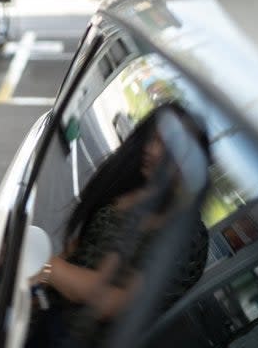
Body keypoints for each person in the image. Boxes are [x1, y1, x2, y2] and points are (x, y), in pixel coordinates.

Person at [27, 103, 210, 347]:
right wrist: (39, 288)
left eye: (168, 146)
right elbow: (80, 246)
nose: (151, 150)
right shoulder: (138, 188)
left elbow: (108, 302)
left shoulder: (187, 239)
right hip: (48, 318)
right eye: (152, 139)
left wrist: (46, 267)